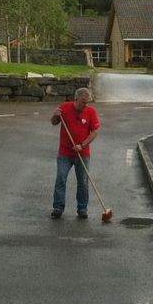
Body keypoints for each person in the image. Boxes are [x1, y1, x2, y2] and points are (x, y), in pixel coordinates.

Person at [50, 87, 100, 219]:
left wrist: (82, 145)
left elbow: (95, 131)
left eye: (87, 102)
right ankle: (58, 207)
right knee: (61, 178)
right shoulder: (64, 107)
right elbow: (54, 122)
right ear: (76, 99)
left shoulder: (91, 112)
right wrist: (55, 115)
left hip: (82, 154)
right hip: (65, 153)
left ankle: (82, 208)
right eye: (83, 102)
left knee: (83, 182)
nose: (86, 105)